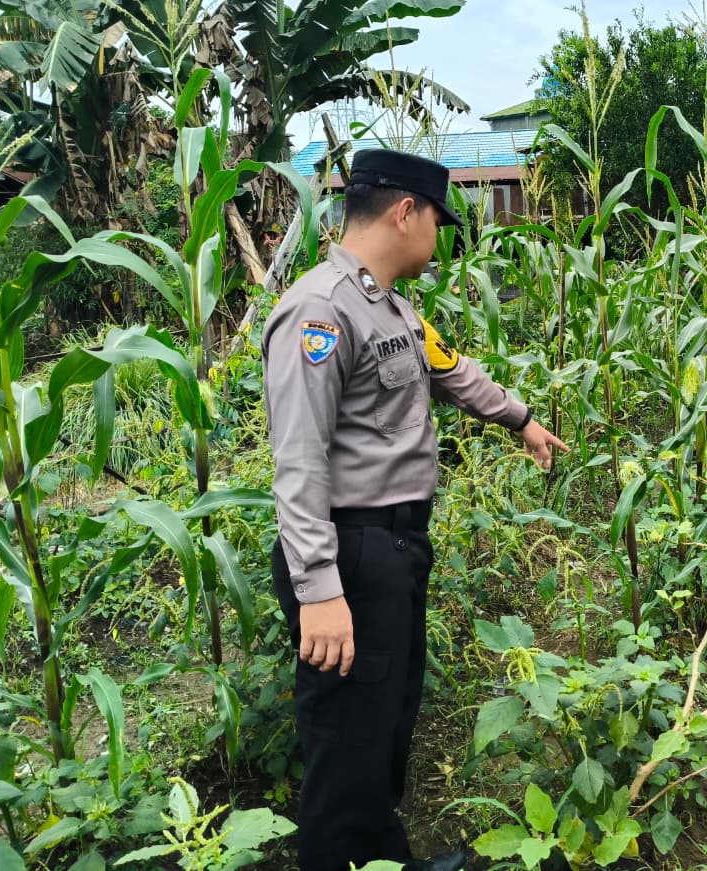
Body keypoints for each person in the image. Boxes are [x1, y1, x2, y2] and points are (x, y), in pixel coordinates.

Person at [262, 149, 568, 871]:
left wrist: (519, 417)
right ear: (406, 212)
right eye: (437, 218)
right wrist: (320, 589)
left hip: (392, 553)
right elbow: (299, 463)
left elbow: (449, 370)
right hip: (349, 557)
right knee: (345, 745)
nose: (440, 234)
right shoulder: (320, 310)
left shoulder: (388, 305)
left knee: (384, 727)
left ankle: (384, 859)